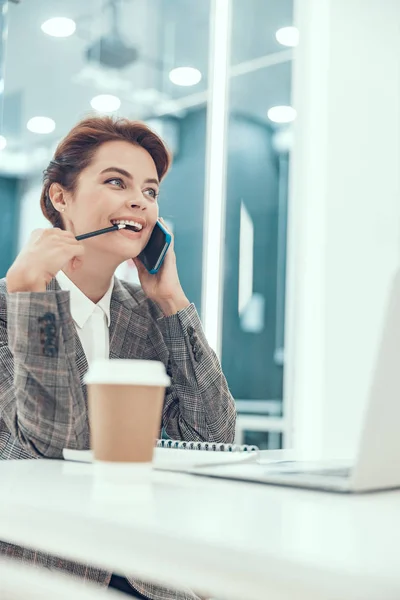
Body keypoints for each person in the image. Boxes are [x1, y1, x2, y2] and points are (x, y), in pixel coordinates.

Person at [0, 116, 236, 599]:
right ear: (59, 196)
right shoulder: (11, 308)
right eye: (116, 182)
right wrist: (29, 293)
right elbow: (57, 445)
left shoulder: (149, 314)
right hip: (39, 574)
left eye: (150, 192)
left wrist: (173, 301)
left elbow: (213, 436)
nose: (139, 202)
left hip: (149, 569)